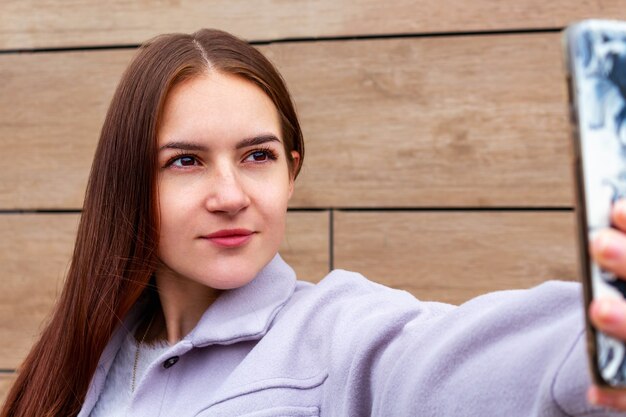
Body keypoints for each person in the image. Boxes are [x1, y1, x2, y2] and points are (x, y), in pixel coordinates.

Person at [2, 28, 626, 417]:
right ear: (131, 182)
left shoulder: (335, 336)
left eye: (257, 156)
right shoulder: (80, 353)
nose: (230, 195)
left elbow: (462, 360)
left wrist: (598, 340)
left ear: (291, 171)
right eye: (186, 161)